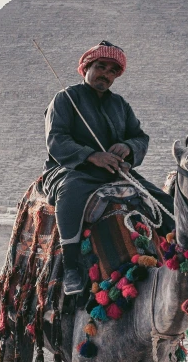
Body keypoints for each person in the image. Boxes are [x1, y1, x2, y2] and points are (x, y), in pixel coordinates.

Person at [42, 41, 174, 294]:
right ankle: (71, 268)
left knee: (163, 203)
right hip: (71, 169)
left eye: (113, 71)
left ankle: (179, 260)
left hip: (114, 171)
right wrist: (91, 155)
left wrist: (128, 148)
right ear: (86, 68)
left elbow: (139, 137)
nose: (106, 74)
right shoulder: (65, 98)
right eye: (101, 67)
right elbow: (56, 139)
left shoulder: (120, 105)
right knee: (70, 194)